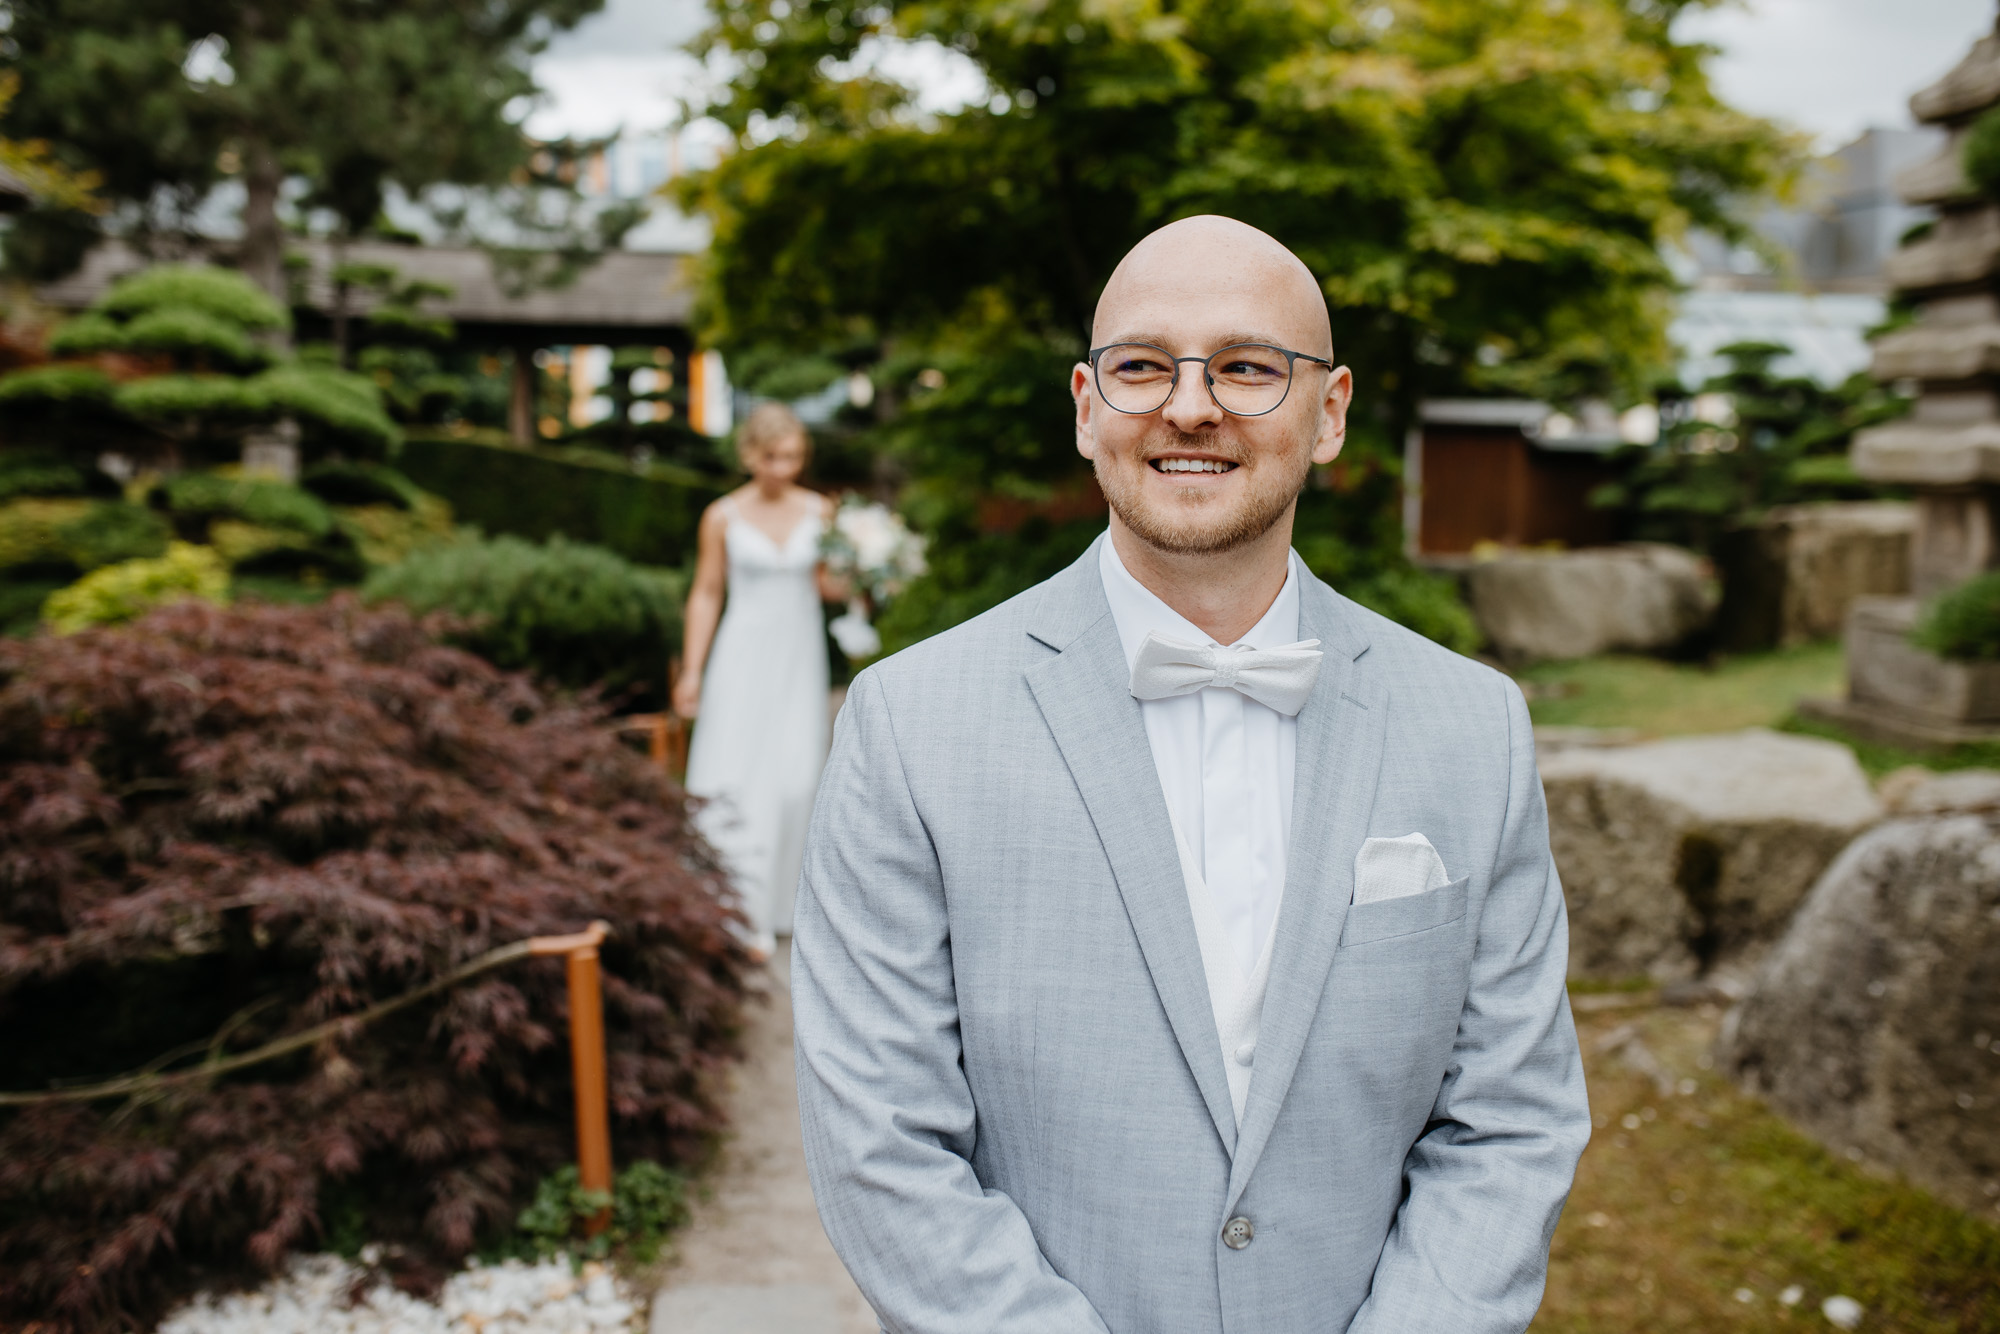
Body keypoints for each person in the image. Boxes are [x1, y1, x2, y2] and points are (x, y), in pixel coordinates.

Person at [792, 216, 1590, 1332]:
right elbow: (878, 1142)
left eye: (1249, 367)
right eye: (1140, 366)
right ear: (1084, 406)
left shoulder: (1474, 726)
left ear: (1330, 412)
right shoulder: (907, 723)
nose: (1188, 405)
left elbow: (1509, 1118)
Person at [676, 402, 839, 959]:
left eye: (793, 456)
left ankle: (787, 906)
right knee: (739, 773)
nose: (784, 468)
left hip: (798, 655)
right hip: (742, 654)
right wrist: (692, 670)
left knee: (797, 774)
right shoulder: (721, 515)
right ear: (750, 455)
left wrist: (870, 564)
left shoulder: (821, 511)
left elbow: (828, 588)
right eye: (773, 457)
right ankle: (736, 910)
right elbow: (705, 593)